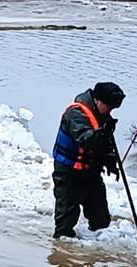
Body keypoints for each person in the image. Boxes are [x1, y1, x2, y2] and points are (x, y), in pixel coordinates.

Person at [51, 82, 125, 239]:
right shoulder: (76, 114)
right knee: (64, 228)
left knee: (101, 222)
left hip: (91, 174)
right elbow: (86, 140)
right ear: (98, 100)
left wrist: (110, 160)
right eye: (109, 107)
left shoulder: (103, 116)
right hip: (68, 174)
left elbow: (104, 145)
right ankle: (63, 259)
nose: (110, 111)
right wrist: (104, 132)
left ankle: (97, 254)